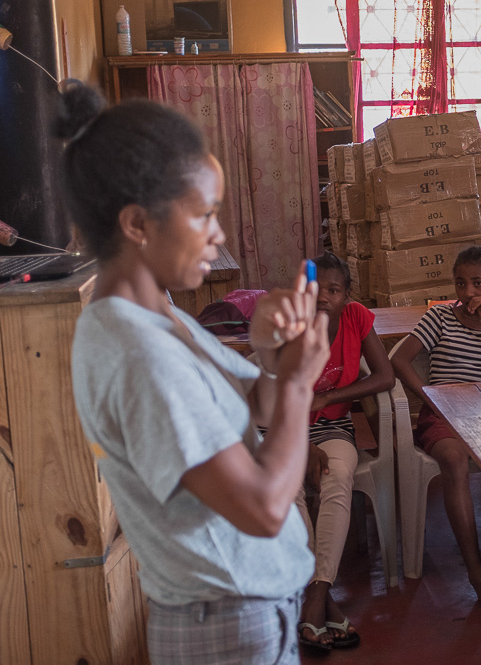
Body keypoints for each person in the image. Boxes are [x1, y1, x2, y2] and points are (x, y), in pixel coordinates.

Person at [62, 84, 329, 663]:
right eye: (204, 214)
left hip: (246, 613)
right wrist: (302, 384)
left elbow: (255, 408)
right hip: (226, 628)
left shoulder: (161, 318)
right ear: (137, 223)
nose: (220, 234)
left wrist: (270, 354)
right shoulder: (137, 353)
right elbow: (262, 508)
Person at [390, 246, 481, 607]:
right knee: (454, 460)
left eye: (477, 283)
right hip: (442, 415)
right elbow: (399, 359)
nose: (469, 292)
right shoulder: (439, 317)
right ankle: (476, 571)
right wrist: (428, 396)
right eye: (461, 284)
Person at [291, 252, 395, 650]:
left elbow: (384, 376)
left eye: (333, 290)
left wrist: (328, 398)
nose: (323, 298)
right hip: (281, 429)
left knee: (337, 478)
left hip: (333, 425)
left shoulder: (356, 318)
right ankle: (324, 602)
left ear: (346, 295)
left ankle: (314, 596)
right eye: (316, 289)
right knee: (291, 492)